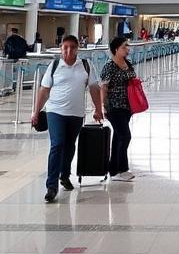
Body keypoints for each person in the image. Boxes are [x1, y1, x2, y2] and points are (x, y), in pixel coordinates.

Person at [31, 34, 102, 202]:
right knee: (57, 144)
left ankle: (65, 175)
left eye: (72, 47)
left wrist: (98, 109)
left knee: (70, 145)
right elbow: (44, 90)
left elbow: (93, 88)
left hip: (76, 113)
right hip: (55, 111)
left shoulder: (85, 65)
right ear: (61, 48)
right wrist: (36, 111)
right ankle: (51, 186)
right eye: (65, 47)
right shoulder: (55, 65)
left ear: (77, 48)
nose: (68, 50)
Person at [100, 36, 137, 181]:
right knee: (125, 136)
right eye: (124, 46)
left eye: (128, 46)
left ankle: (113, 169)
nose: (127, 49)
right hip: (114, 106)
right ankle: (122, 168)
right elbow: (103, 87)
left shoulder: (128, 62)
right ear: (116, 49)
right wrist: (102, 106)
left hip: (127, 106)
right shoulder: (109, 66)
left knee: (118, 136)